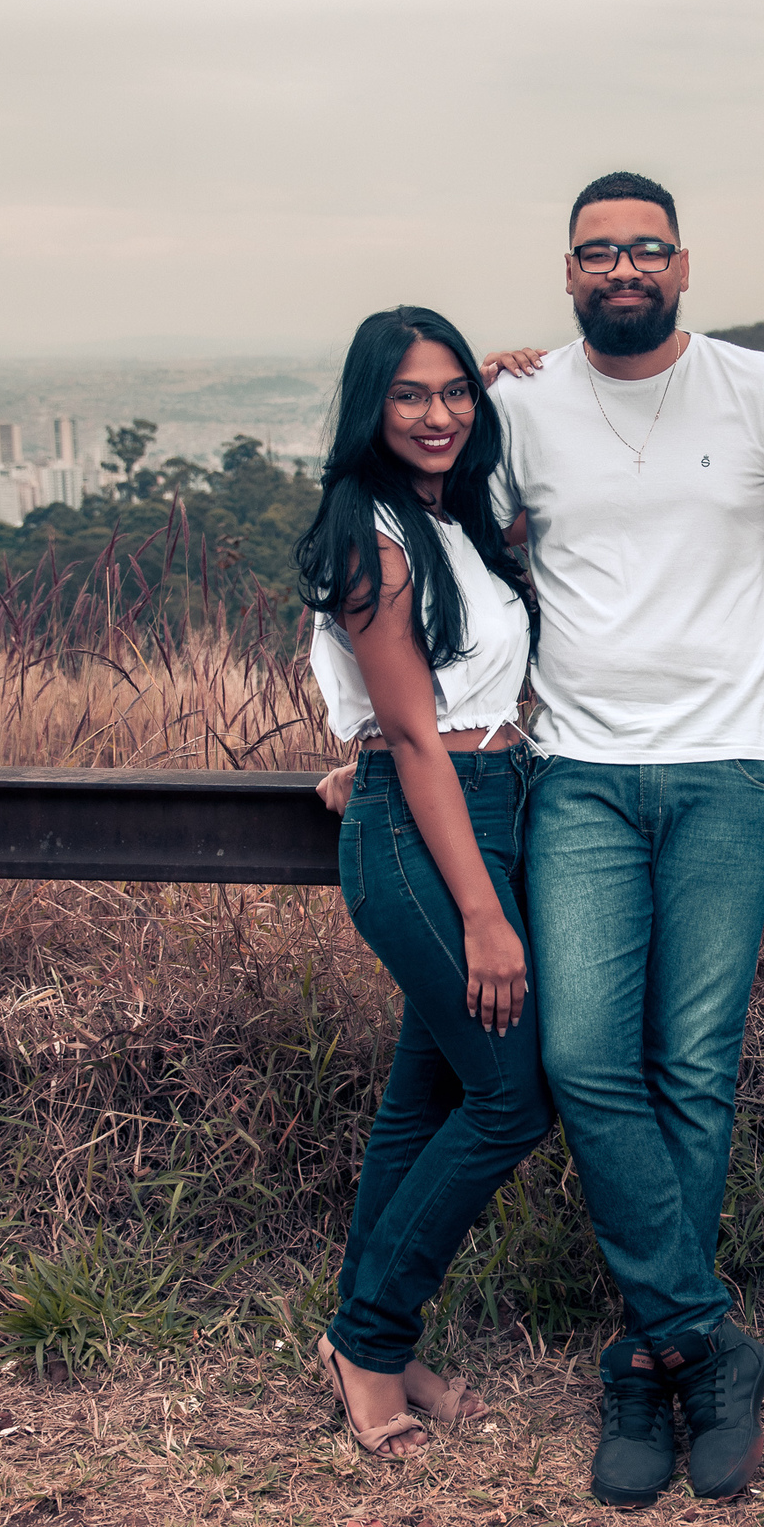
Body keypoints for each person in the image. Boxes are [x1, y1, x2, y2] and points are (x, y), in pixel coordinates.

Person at [482, 171, 764, 1506]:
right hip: (583, 776)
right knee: (580, 1053)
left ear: (682, 264)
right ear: (566, 273)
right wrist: (382, 736)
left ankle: (643, 1358)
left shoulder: (763, 391)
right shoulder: (515, 405)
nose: (624, 268)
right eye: (598, 251)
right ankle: (703, 1341)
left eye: (646, 248)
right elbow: (463, 582)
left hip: (733, 771)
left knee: (692, 1066)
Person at [295, 305, 553, 1460]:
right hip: (423, 829)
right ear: (369, 406)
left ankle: (372, 1342)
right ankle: (368, 1335)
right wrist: (487, 916)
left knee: (432, 1098)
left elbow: (451, 702)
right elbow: (409, 733)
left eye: (454, 393)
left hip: (484, 808)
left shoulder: (446, 518)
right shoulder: (370, 538)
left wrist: (487, 379)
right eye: (410, 396)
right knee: (513, 1095)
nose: (439, 414)